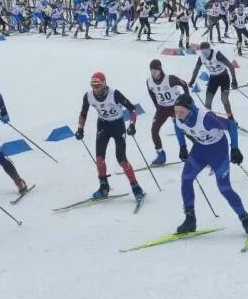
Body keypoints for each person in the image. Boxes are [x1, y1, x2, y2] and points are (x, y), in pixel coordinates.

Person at [172, 93, 248, 236]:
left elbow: (232, 126)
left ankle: (245, 218)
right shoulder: (178, 119)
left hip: (218, 151)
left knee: (224, 188)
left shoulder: (206, 118)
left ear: (191, 109)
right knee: (186, 179)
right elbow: (178, 128)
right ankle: (190, 219)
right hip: (200, 149)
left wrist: (235, 148)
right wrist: (182, 146)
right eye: (176, 111)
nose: (178, 115)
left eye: (182, 112)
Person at [75, 72, 145, 202]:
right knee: (99, 159)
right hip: (103, 125)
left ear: (104, 84)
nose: (96, 89)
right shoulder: (89, 96)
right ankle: (104, 187)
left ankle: (136, 187)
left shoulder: (114, 94)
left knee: (122, 160)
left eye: (98, 85)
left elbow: (132, 109)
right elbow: (83, 113)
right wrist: (80, 128)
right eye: (93, 86)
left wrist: (132, 125)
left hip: (118, 125)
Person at [146, 59, 190, 165]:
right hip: (162, 108)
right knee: (154, 130)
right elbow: (151, 93)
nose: (154, 73)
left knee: (181, 127)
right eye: (152, 70)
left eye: (156, 70)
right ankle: (161, 155)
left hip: (175, 106)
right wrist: (157, 106)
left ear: (160, 70)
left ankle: (184, 149)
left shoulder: (170, 79)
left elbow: (184, 84)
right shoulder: (149, 81)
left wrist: (187, 100)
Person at [187, 41, 238, 118]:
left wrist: (234, 80)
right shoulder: (201, 58)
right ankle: (209, 117)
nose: (205, 54)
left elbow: (230, 66)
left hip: (224, 78)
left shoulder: (217, 55)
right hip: (213, 79)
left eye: (206, 52)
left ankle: (230, 117)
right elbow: (196, 70)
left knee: (224, 99)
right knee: (208, 101)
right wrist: (192, 81)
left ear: (209, 49)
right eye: (202, 52)